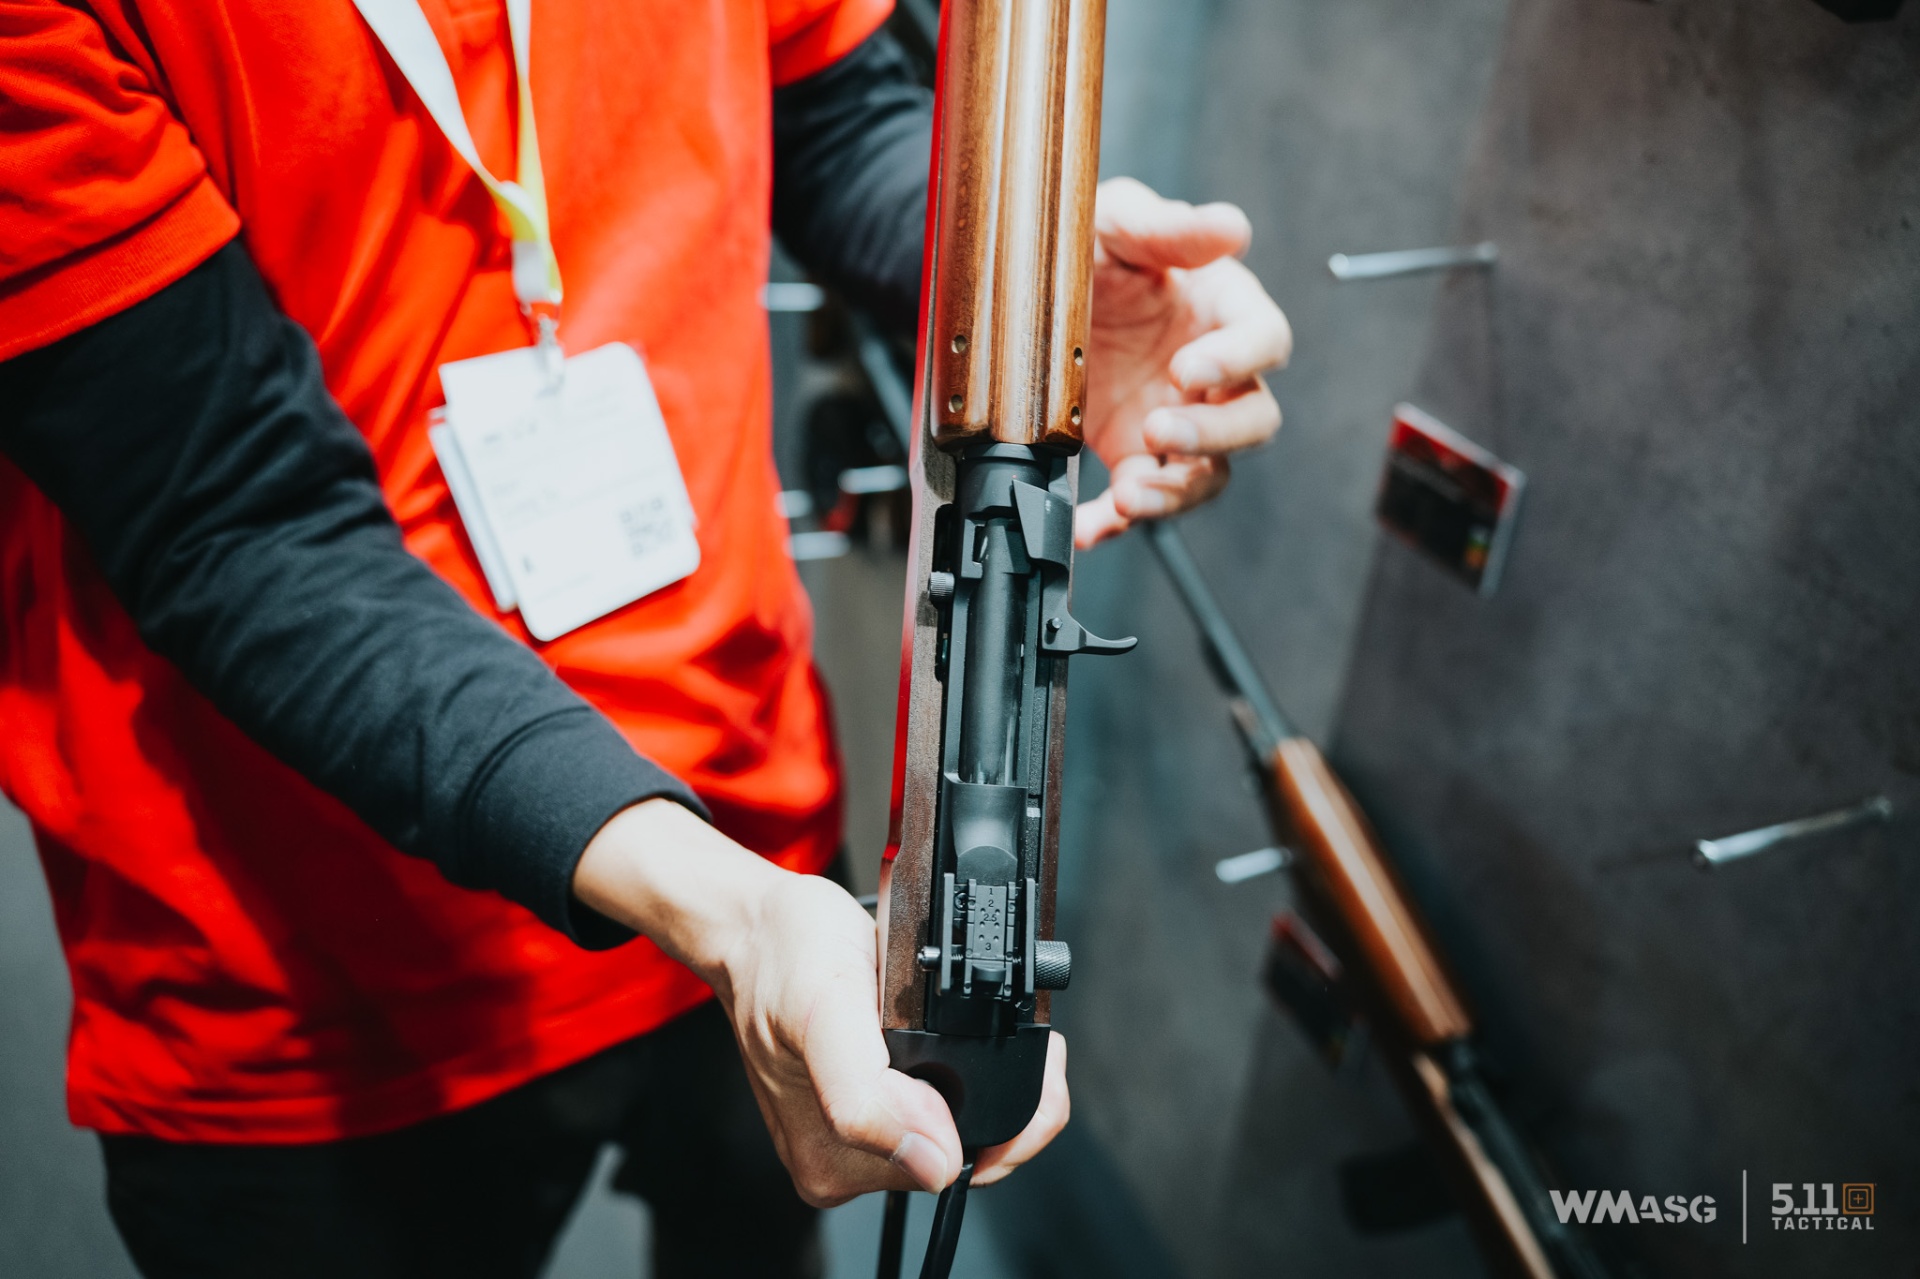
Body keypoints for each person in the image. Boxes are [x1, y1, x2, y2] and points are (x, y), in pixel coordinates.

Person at [0, 3, 1291, 1276]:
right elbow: (234, 519)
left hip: (765, 848)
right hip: (315, 959)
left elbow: (835, 115)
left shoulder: (770, 906)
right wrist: (720, 907)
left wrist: (1043, 293)